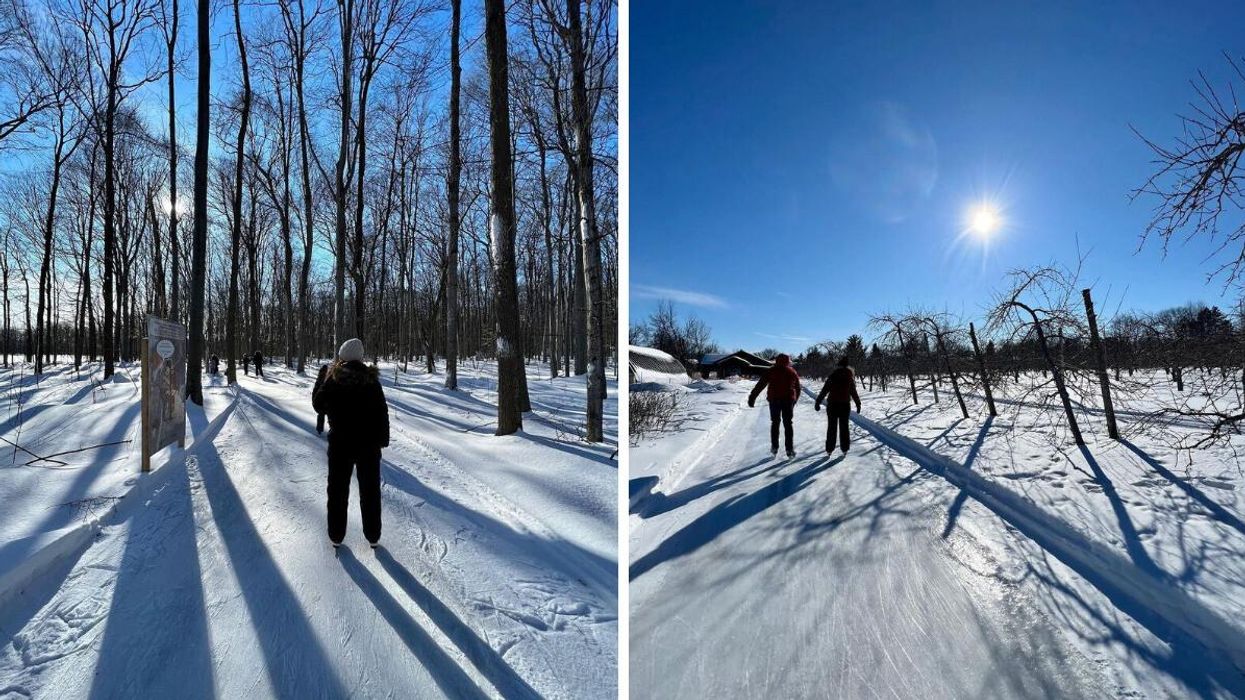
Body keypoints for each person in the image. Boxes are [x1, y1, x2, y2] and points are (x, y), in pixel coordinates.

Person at [312, 338, 389, 549]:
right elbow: (382, 412)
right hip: (369, 446)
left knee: (337, 490)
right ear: (360, 356)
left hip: (340, 445)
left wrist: (321, 379)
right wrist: (383, 440)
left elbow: (318, 405)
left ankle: (336, 536)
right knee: (370, 491)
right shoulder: (372, 381)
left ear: (342, 356)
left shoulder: (333, 379)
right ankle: (373, 536)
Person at [747, 353, 801, 458]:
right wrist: (794, 401)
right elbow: (798, 388)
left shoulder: (771, 371)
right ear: (788, 361)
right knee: (788, 424)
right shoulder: (792, 372)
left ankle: (774, 447)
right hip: (788, 401)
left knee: (775, 423)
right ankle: (789, 450)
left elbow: (760, 385)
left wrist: (752, 397)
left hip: (774, 401)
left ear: (776, 361)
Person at [815, 355, 862, 455]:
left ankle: (829, 449)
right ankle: (844, 449)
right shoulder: (850, 377)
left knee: (832, 427)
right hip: (845, 405)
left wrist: (818, 401)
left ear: (838, 365)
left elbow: (825, 390)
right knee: (844, 428)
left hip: (832, 405)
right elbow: (853, 392)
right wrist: (858, 403)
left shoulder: (833, 375)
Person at [313, 363, 330, 435]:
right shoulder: (324, 378)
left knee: (321, 415)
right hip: (322, 400)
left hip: (320, 400)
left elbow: (315, 390)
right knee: (325, 414)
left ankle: (319, 429)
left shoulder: (320, 378)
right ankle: (321, 429)